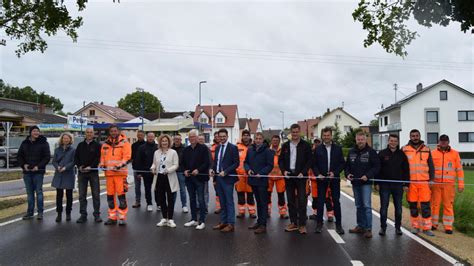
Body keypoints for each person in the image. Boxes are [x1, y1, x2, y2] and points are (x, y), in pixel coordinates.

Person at [345, 131, 380, 238]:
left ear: (365, 140)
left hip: (366, 183)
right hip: (355, 183)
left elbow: (377, 166)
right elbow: (347, 166)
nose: (360, 141)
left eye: (362, 139)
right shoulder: (351, 151)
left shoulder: (371, 152)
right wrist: (347, 174)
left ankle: (368, 229)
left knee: (367, 206)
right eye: (358, 139)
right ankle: (360, 226)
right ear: (356, 140)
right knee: (359, 206)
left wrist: (368, 176)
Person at [279, 124, 312, 234]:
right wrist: (284, 171)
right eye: (293, 132)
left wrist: (303, 172)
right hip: (289, 176)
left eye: (297, 132)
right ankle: (293, 222)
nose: (295, 134)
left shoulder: (306, 145)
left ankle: (302, 224)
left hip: (301, 177)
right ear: (291, 133)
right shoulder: (285, 146)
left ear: (300, 132)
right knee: (291, 200)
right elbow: (281, 160)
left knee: (302, 201)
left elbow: (309, 161)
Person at [402, 129, 435, 236]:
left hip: (424, 182)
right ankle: (415, 226)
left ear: (419, 136)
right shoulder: (404, 149)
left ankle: (427, 228)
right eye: (413, 136)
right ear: (410, 137)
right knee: (413, 205)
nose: (415, 137)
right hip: (411, 183)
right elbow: (401, 167)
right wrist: (404, 183)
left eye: (416, 135)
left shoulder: (426, 149)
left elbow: (431, 165)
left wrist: (431, 179)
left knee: (426, 206)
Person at [313, 128, 345, 235]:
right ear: (322, 136)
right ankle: (319, 224)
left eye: (328, 135)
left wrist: (335, 173)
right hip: (321, 179)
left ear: (331, 136)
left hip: (334, 179)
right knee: (320, 202)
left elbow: (342, 163)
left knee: (336, 201)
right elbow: (314, 164)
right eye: (324, 135)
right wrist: (318, 174)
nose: (326, 137)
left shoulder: (338, 149)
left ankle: (339, 225)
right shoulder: (317, 149)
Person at [375, 134, 409, 236]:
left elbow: (406, 170)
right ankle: (383, 227)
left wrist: (406, 184)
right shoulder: (382, 153)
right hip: (385, 185)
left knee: (398, 208)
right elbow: (377, 169)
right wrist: (376, 182)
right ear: (388, 141)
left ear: (397, 142)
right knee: (384, 207)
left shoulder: (402, 154)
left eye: (395, 141)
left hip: (398, 185)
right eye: (391, 141)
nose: (393, 142)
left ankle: (398, 227)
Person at [430, 134, 464, 234]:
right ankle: (433, 224)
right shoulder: (432, 153)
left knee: (448, 205)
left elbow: (460, 170)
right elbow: (429, 169)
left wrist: (461, 185)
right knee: (434, 205)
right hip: (435, 184)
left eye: (445, 140)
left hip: (449, 185)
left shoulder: (455, 154)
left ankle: (448, 226)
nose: (443, 142)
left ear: (448, 142)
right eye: (442, 140)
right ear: (439, 142)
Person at [100, 125, 132, 226]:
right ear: (109, 132)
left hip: (120, 174)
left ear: (118, 131)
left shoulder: (125, 143)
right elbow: (102, 157)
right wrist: (102, 164)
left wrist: (118, 166)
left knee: (121, 197)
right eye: (112, 131)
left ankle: (122, 217)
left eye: (115, 131)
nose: (113, 132)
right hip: (109, 174)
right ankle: (112, 217)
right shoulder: (105, 144)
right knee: (110, 197)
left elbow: (127, 157)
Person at [18, 126, 51, 221]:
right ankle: (30, 212)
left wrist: (38, 166)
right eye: (34, 131)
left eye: (38, 131)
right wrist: (23, 165)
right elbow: (20, 156)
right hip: (27, 172)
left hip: (38, 172)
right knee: (29, 193)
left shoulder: (44, 143)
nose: (36, 132)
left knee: (39, 192)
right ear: (30, 132)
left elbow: (47, 157)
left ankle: (40, 212)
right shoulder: (24, 143)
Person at [245, 132, 274, 234]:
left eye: (260, 138)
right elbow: (246, 162)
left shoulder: (267, 151)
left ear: (263, 140)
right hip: (253, 180)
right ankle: (259, 221)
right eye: (256, 138)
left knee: (263, 203)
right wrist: (248, 170)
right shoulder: (250, 150)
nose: (258, 140)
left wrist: (261, 173)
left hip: (262, 181)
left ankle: (263, 225)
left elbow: (270, 165)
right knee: (258, 202)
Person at [211, 129, 240, 233]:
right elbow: (216, 162)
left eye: (224, 136)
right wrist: (213, 171)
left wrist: (226, 171)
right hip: (218, 178)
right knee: (222, 201)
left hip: (227, 178)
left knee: (229, 201)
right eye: (220, 136)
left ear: (227, 136)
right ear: (218, 137)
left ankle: (231, 224)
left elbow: (236, 163)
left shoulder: (233, 148)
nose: (222, 138)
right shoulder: (218, 147)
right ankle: (223, 221)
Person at [182, 129, 210, 230]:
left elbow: (206, 162)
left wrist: (198, 170)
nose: (192, 138)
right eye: (190, 137)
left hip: (200, 178)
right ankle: (193, 219)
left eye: (193, 136)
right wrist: (185, 170)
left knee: (201, 199)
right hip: (189, 179)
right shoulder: (186, 149)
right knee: (192, 199)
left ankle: (202, 221)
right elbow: (183, 162)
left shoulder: (203, 148)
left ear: (197, 138)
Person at [151, 134, 179, 228]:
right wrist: (153, 168)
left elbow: (176, 165)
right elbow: (154, 164)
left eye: (166, 141)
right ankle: (164, 218)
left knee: (170, 199)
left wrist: (169, 170)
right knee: (161, 198)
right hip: (159, 177)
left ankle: (170, 219)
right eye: (162, 141)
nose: (164, 142)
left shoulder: (173, 152)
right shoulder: (156, 152)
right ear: (160, 142)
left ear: (169, 142)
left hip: (169, 177)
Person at [75, 127, 103, 223]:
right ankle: (83, 215)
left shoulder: (97, 145)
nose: (89, 134)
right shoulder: (80, 145)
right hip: (82, 173)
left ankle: (97, 215)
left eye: (91, 132)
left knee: (96, 194)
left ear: (93, 134)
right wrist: (79, 166)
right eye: (87, 132)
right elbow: (76, 157)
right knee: (82, 195)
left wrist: (91, 166)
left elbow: (98, 158)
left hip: (93, 173)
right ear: (85, 134)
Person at [51, 133, 76, 222]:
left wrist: (66, 167)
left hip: (68, 174)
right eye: (64, 138)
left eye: (67, 138)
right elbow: (54, 161)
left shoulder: (73, 150)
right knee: (59, 195)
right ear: (61, 139)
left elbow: (74, 161)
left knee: (69, 195)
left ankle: (68, 213)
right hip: (59, 174)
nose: (65, 140)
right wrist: (57, 167)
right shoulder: (57, 150)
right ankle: (59, 213)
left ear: (70, 140)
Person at [309, 138, 335, 222]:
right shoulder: (311, 153)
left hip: (324, 180)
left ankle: (330, 214)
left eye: (318, 143)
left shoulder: (324, 152)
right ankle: (315, 213)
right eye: (315, 143)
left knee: (327, 198)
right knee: (315, 198)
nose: (316, 144)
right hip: (314, 180)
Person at [235, 130, 256, 218]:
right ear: (242, 136)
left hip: (250, 174)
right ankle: (241, 211)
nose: (246, 137)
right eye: (244, 135)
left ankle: (252, 212)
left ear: (249, 136)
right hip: (239, 174)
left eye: (247, 135)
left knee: (250, 193)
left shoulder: (254, 147)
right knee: (240, 193)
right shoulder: (237, 146)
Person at [267, 135, 288, 219]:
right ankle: (267, 211)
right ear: (271, 141)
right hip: (269, 176)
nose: (275, 142)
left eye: (276, 140)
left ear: (279, 141)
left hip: (280, 176)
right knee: (267, 195)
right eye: (273, 140)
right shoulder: (268, 151)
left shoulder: (283, 151)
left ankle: (283, 212)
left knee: (281, 195)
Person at [135, 132, 158, 212]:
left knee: (157, 189)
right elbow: (138, 160)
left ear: (154, 137)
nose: (150, 138)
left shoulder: (158, 147)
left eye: (152, 136)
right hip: (146, 172)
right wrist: (139, 172)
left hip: (156, 172)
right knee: (147, 189)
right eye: (149, 137)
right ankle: (149, 204)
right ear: (146, 137)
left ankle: (158, 204)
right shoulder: (142, 147)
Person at [171, 134, 189, 213]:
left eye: (178, 139)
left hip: (181, 172)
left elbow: (186, 161)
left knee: (182, 190)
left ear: (181, 140)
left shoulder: (185, 149)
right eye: (175, 139)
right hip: (172, 172)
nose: (177, 140)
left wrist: (185, 170)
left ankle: (184, 205)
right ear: (173, 140)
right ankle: (172, 206)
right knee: (173, 190)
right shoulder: (170, 149)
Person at [131, 130, 146, 208]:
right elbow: (132, 157)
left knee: (148, 186)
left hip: (146, 169)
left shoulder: (146, 144)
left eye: (141, 135)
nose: (139, 136)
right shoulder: (133, 145)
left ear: (144, 136)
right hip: (136, 168)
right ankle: (137, 201)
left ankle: (148, 202)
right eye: (138, 135)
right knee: (137, 186)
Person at [198, 134, 210, 211]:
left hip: (204, 173)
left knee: (205, 192)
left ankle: (205, 206)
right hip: (196, 174)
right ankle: (198, 206)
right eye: (199, 139)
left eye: (202, 139)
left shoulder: (207, 149)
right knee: (197, 192)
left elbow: (209, 161)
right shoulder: (195, 148)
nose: (201, 141)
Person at [210, 132, 222, 214]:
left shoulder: (225, 146)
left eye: (218, 136)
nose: (217, 138)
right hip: (215, 173)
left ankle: (224, 206)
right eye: (216, 136)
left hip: (224, 172)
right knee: (217, 190)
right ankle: (219, 207)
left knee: (225, 191)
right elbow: (210, 160)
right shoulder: (212, 148)